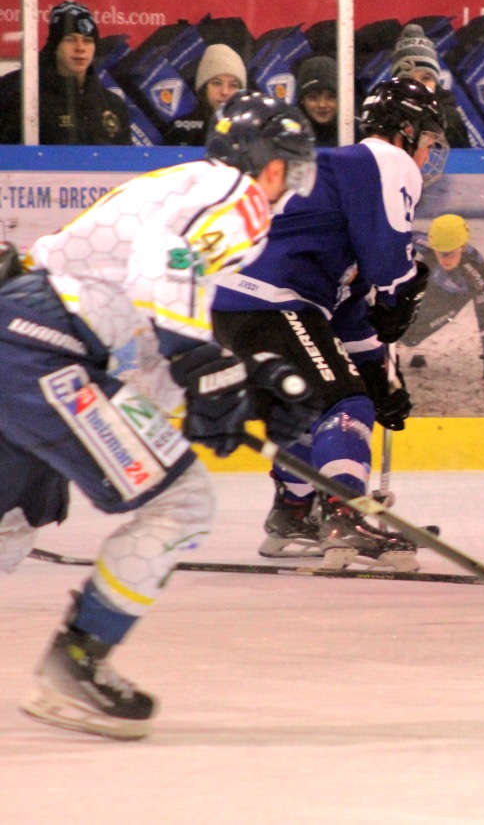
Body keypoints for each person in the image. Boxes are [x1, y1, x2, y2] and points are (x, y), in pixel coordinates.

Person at [0, 91, 318, 740]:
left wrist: (238, 391)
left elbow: (141, 335)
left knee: (12, 522)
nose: (289, 186)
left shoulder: (184, 188)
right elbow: (163, 264)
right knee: (185, 502)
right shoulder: (239, 196)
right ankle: (75, 665)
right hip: (44, 352)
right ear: (272, 165)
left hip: (24, 340)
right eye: (291, 168)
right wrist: (207, 369)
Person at [211, 77, 449, 569]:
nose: (427, 154)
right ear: (405, 130)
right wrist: (403, 288)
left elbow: (349, 315)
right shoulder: (385, 159)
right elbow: (388, 264)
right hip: (270, 299)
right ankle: (345, 516)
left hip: (232, 303)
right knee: (344, 402)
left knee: (307, 407)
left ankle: (293, 514)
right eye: (427, 139)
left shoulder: (341, 190)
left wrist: (382, 375)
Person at [0, 0, 130, 145]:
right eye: (70, 39)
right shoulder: (18, 93)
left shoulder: (112, 104)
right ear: (54, 46)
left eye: (87, 40)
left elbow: (126, 157)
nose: (80, 48)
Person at [399, 213, 484, 380]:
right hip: (430, 285)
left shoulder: (474, 267)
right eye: (441, 253)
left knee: (410, 339)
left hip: (452, 300)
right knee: (398, 324)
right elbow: (394, 238)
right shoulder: (425, 244)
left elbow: (483, 311)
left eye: (451, 253)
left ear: (462, 247)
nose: (446, 259)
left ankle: (408, 349)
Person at [390, 24, 470, 149]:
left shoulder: (450, 120)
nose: (418, 86)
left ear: (436, 82)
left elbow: (465, 160)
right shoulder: (385, 118)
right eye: (408, 79)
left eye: (426, 78)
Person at [167, 43, 248, 146]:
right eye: (216, 83)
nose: (225, 92)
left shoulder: (253, 130)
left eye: (233, 85)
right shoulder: (182, 129)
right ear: (204, 88)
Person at [296, 55, 338, 147]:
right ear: (302, 100)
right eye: (313, 97)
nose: (322, 105)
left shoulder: (356, 130)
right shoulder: (287, 133)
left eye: (331, 97)